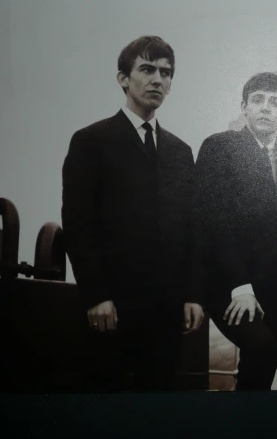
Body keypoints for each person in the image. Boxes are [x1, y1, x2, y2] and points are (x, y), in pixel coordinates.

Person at [61, 35, 205, 392]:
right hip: (112, 309)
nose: (158, 79)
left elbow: (190, 230)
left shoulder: (180, 152)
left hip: (168, 311)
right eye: (147, 69)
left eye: (166, 73)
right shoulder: (91, 141)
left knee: (160, 410)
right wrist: (96, 296)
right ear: (123, 78)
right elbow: (79, 224)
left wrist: (192, 294)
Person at [195, 72, 277, 391]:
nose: (265, 108)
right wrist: (239, 286)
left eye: (275, 103)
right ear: (244, 106)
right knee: (259, 346)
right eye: (258, 100)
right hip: (228, 281)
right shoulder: (219, 147)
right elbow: (216, 221)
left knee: (263, 376)